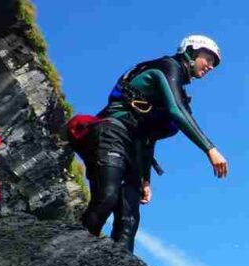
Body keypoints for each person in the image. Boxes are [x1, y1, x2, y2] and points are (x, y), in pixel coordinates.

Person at [76, 34, 229, 252]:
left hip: (133, 146)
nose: (211, 66)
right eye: (209, 58)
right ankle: (72, 252)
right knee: (107, 198)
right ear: (191, 52)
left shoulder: (178, 88)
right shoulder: (168, 67)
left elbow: (148, 137)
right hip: (111, 132)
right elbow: (178, 111)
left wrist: (144, 179)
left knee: (129, 220)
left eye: (214, 63)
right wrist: (210, 149)